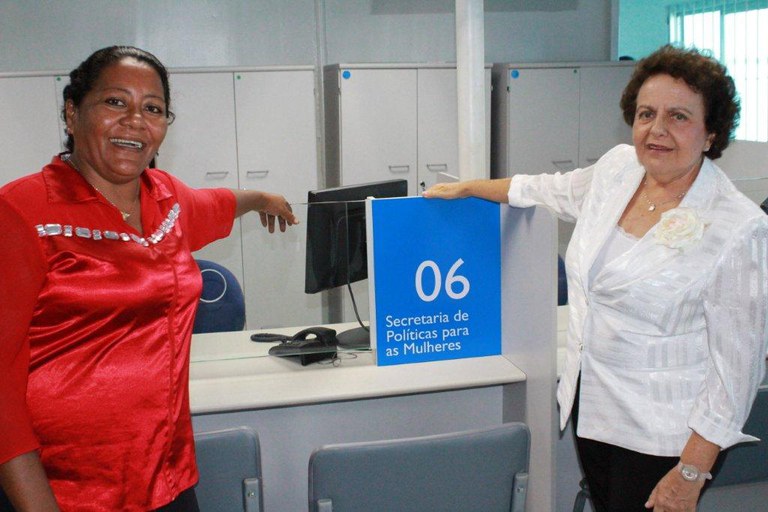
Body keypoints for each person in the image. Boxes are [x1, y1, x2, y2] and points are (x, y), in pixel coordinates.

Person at [425, 45, 768, 512]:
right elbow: (547, 189)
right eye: (647, 113)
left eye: (679, 117)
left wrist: (691, 473)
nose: (657, 130)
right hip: (595, 410)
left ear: (711, 133)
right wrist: (470, 188)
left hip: (667, 436)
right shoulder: (619, 170)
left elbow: (737, 373)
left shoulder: (736, 225)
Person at [0, 46, 298, 511]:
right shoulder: (21, 212)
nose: (135, 120)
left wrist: (264, 198)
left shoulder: (167, 200)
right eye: (115, 102)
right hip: (64, 493)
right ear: (72, 113)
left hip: (169, 482)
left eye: (153, 109)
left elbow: (218, 202)